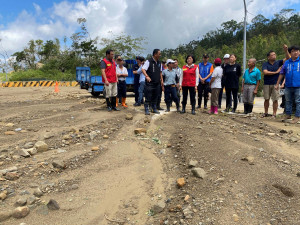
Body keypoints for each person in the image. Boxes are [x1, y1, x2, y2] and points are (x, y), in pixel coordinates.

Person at [262, 45, 290, 118]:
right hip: (267, 83)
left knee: (275, 99)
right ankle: (266, 112)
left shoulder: (278, 62)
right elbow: (265, 72)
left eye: (275, 54)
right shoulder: (265, 64)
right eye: (272, 55)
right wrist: (276, 72)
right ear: (268, 57)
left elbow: (288, 58)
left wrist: (286, 51)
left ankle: (274, 114)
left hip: (276, 83)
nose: (274, 56)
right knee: (266, 99)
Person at [275, 45, 300, 124]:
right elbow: (282, 73)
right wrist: (277, 84)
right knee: (287, 101)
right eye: (293, 51)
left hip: (298, 86)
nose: (296, 52)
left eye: (297, 51)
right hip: (288, 85)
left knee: (298, 101)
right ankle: (288, 115)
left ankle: (297, 117)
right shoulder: (286, 63)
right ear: (290, 53)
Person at [142, 49, 164, 115]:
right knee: (148, 96)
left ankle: (154, 108)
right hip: (150, 83)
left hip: (157, 83)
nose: (160, 55)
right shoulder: (149, 61)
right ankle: (146, 108)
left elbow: (160, 72)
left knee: (155, 96)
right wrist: (147, 76)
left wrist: (162, 80)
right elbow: (143, 69)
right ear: (155, 54)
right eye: (159, 54)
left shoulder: (159, 63)